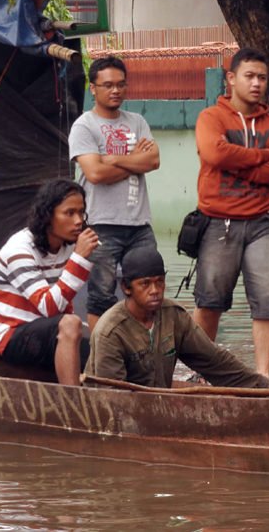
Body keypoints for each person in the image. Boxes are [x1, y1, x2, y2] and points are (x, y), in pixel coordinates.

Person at [192, 47, 269, 377]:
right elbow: (214, 152)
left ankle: (263, 375)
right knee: (210, 299)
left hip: (263, 221)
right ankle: (201, 369)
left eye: (262, 78)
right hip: (218, 221)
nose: (257, 84)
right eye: (249, 76)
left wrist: (240, 165)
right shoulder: (211, 117)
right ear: (231, 79)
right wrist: (261, 157)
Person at [85, 247, 269, 390]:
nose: (155, 290)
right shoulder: (110, 331)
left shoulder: (173, 316)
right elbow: (111, 396)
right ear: (126, 288)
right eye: (145, 284)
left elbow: (217, 362)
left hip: (158, 403)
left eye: (160, 282)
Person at [69, 56, 159, 332]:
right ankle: (102, 355)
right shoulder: (84, 126)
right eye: (107, 85)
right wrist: (133, 160)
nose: (115, 90)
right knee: (101, 296)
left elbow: (153, 162)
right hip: (101, 224)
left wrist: (110, 159)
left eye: (121, 85)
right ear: (93, 88)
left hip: (140, 225)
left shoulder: (137, 121)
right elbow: (94, 174)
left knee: (149, 292)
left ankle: (144, 350)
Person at [0, 179, 100, 386]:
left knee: (106, 351)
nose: (78, 221)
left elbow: (64, 304)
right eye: (69, 213)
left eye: (81, 212)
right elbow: (49, 307)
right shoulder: (19, 250)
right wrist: (79, 259)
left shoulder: (66, 247)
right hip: (9, 339)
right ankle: (73, 402)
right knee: (71, 323)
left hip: (48, 335)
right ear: (48, 217)